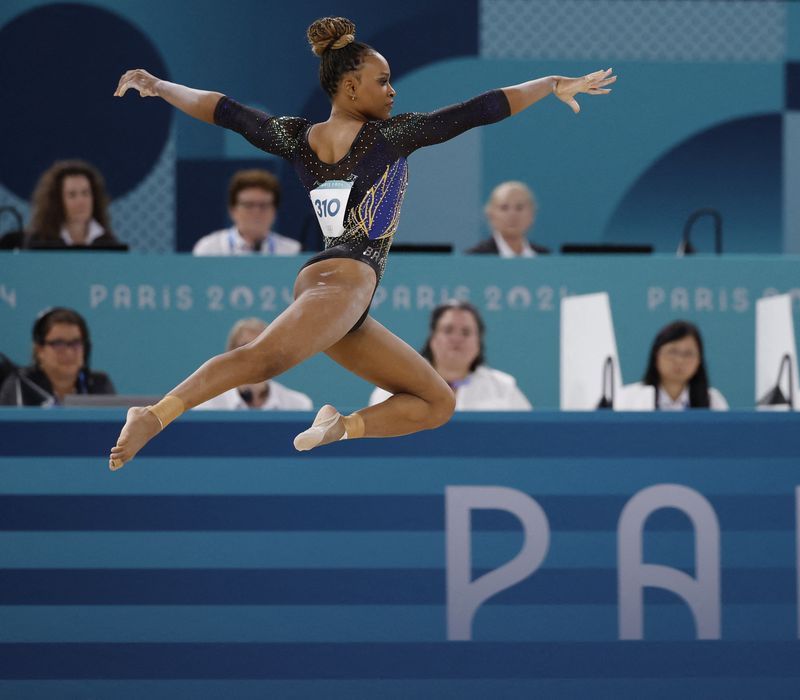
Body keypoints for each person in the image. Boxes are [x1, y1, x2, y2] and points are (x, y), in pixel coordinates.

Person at [108, 16, 615, 469]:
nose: (392, 91)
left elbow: (225, 111)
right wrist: (549, 84)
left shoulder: (294, 136)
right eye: (382, 81)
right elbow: (481, 109)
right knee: (261, 359)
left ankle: (342, 425)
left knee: (436, 402)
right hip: (342, 281)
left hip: (346, 296)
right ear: (350, 88)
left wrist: (160, 86)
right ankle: (153, 414)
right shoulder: (390, 137)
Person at [369, 300, 531, 410]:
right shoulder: (397, 384)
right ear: (433, 338)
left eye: (466, 332)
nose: (456, 339)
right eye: (448, 330)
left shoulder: (503, 387)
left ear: (478, 343)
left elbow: (528, 437)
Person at [0, 307, 116, 406]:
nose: (69, 352)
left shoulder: (99, 385)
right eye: (58, 344)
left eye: (75, 343)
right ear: (39, 350)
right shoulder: (20, 384)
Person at [194, 318, 313, 410]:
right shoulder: (209, 406)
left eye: (261, 347)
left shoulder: (298, 405)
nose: (253, 355)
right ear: (230, 355)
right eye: (245, 346)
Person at [7, 160, 124, 249]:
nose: (81, 201)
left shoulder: (109, 244)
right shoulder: (40, 244)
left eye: (86, 193)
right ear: (57, 201)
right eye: (72, 195)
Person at [616, 320, 728, 411]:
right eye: (673, 352)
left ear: (699, 360)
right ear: (656, 355)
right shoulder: (629, 398)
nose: (679, 360)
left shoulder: (713, 401)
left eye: (688, 354)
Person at [192, 169, 302, 255]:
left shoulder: (292, 251)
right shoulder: (208, 249)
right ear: (232, 210)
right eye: (249, 205)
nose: (256, 212)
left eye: (263, 205)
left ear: (274, 210)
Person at [465, 181, 550, 256]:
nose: (512, 214)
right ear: (490, 215)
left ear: (532, 214)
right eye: (504, 208)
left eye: (519, 208)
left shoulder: (543, 257)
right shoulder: (475, 257)